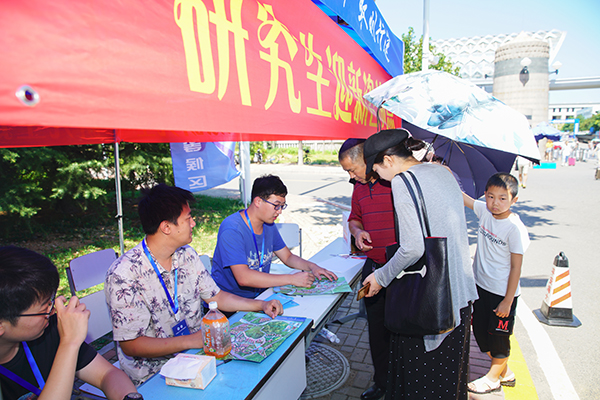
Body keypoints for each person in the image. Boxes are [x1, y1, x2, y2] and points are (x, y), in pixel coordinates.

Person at [104, 184, 283, 385]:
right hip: (154, 376)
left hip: (198, 359)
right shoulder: (124, 274)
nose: (194, 224)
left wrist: (261, 305)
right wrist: (193, 340)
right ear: (166, 227)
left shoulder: (186, 254)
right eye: (188, 218)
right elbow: (131, 345)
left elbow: (216, 297)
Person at [361, 129, 478, 400]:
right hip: (459, 293)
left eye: (376, 169)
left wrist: (381, 277)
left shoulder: (403, 181)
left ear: (388, 160)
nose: (377, 176)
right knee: (450, 379)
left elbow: (412, 248)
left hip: (430, 299)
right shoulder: (441, 172)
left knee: (421, 384)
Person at [0, 246, 139, 400]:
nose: (53, 310)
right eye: (45, 307)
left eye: (51, 301)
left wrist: (129, 397)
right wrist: (69, 343)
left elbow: (107, 374)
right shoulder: (56, 333)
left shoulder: (47, 328)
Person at [211, 174, 337, 300]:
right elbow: (244, 278)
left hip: (261, 296)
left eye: (282, 206)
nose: (280, 211)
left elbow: (288, 257)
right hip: (230, 303)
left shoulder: (268, 224)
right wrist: (291, 279)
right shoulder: (232, 229)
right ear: (258, 202)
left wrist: (313, 267)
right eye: (276, 205)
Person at [338, 139, 395, 400]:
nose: (351, 176)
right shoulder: (358, 188)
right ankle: (382, 383)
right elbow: (353, 218)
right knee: (376, 331)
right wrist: (358, 231)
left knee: (401, 330)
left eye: (353, 169)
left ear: (368, 159)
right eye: (347, 172)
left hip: (399, 269)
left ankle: (401, 384)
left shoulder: (394, 181)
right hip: (372, 268)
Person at [463, 173, 530, 394]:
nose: (495, 203)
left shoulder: (514, 228)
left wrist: (507, 301)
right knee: (481, 333)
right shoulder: (484, 211)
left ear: (514, 200)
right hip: (481, 287)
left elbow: (516, 267)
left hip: (501, 294)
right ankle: (505, 372)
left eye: (503, 198)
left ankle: (493, 379)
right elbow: (463, 197)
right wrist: (443, 172)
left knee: (499, 338)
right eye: (491, 196)